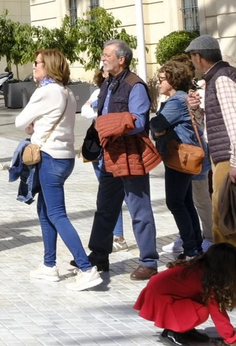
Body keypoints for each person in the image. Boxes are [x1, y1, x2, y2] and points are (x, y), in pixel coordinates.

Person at [185, 35, 236, 299]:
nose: (192, 62)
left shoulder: (222, 79)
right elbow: (216, 125)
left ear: (199, 57)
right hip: (226, 158)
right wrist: (198, 110)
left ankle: (227, 288)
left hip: (230, 159)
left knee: (225, 224)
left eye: (192, 57)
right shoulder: (216, 79)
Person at [15, 49, 101, 289]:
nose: (34, 67)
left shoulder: (45, 91)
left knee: (56, 214)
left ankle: (86, 268)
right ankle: (49, 264)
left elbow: (19, 121)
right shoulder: (68, 92)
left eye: (37, 63)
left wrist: (31, 125)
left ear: (48, 66)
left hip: (49, 157)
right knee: (45, 210)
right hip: (65, 157)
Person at [85, 41, 160, 280]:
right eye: (103, 54)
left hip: (130, 155)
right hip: (109, 154)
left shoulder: (135, 86)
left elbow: (139, 121)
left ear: (121, 59)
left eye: (107, 55)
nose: (103, 58)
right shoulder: (108, 82)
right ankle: (98, 257)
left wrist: (107, 126)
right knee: (105, 208)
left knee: (139, 209)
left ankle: (148, 262)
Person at [133, 243, 236, 346]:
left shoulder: (200, 267)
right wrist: (232, 339)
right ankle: (172, 332)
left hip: (161, 293)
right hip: (161, 298)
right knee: (202, 311)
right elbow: (217, 312)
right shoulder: (205, 278)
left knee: (200, 303)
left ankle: (184, 329)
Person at [151, 59, 206, 262]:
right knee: (185, 201)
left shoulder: (176, 101)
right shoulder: (180, 98)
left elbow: (157, 123)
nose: (159, 83)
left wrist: (158, 129)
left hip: (180, 156)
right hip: (181, 156)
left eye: (162, 79)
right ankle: (195, 245)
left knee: (175, 201)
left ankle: (191, 248)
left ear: (173, 79)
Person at [81, 66, 132, 251]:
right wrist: (99, 113)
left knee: (124, 195)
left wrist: (99, 114)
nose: (106, 72)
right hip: (98, 149)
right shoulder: (98, 92)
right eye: (103, 69)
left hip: (116, 149)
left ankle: (118, 237)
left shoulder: (126, 89)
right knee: (107, 196)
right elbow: (85, 111)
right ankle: (114, 236)